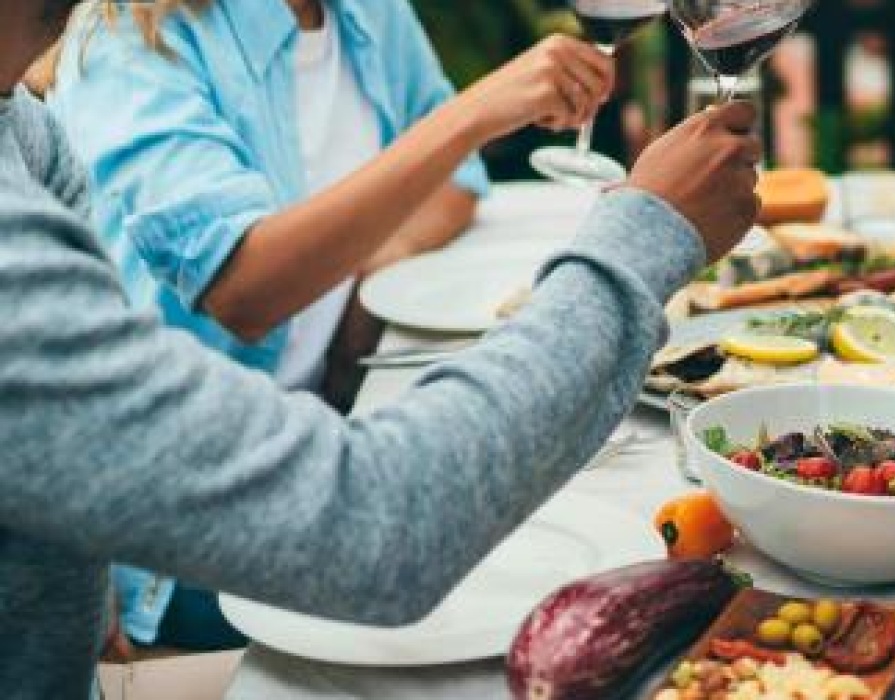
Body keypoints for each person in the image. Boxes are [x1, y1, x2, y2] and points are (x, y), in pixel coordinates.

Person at [0, 0, 763, 693]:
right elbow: (375, 524)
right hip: (212, 559)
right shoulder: (119, 62)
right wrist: (642, 238)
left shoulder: (22, 128)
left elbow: (454, 186)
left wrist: (355, 313)